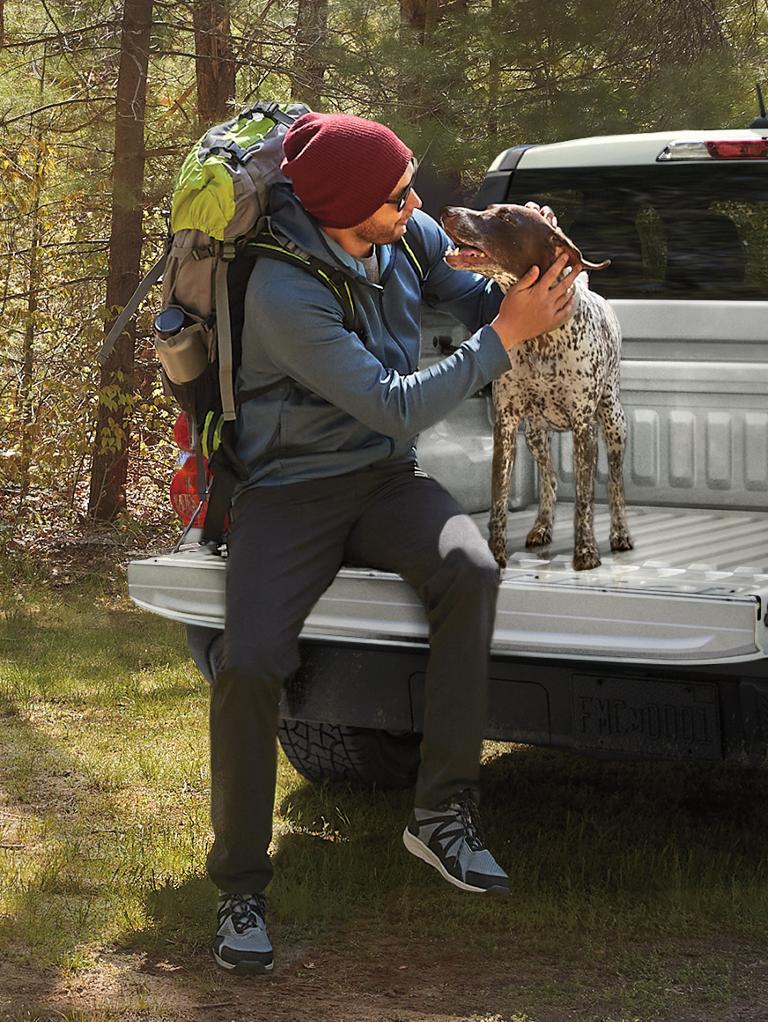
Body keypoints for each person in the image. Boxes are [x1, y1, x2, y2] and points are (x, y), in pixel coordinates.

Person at [208, 112, 576, 974]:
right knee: (252, 663)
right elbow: (397, 403)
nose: (418, 207)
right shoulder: (283, 294)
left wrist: (531, 292)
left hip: (383, 481)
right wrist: (504, 340)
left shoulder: (400, 230)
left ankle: (440, 815)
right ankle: (240, 888)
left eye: (409, 187)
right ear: (344, 211)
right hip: (289, 492)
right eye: (399, 196)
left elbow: (467, 296)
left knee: (469, 572)